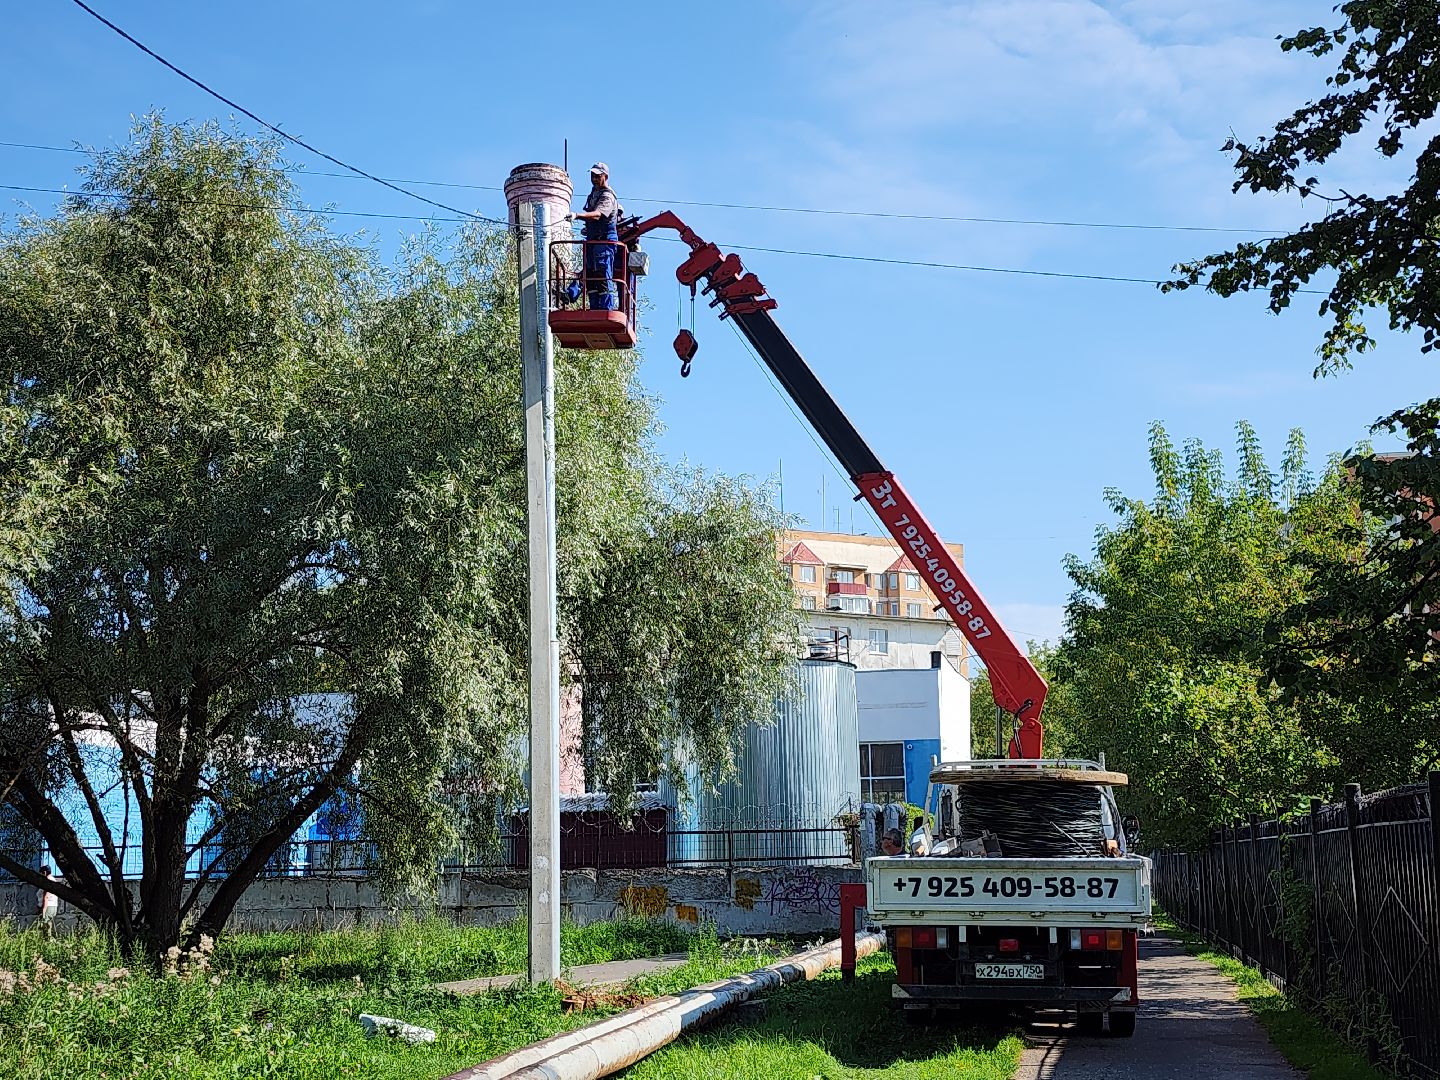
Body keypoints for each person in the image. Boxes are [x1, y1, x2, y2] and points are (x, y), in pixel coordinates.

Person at [569, 162, 622, 311]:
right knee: (591, 274)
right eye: (592, 175)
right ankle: (594, 307)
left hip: (604, 240)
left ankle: (606, 308)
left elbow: (598, 214)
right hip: (593, 240)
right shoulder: (594, 193)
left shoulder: (607, 196)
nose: (594, 179)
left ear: (605, 176)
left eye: (597, 176)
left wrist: (577, 215)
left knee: (603, 272)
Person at [36, 866, 59, 938]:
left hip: (47, 906)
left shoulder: (47, 881)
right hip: (53, 906)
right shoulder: (53, 880)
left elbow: (46, 896)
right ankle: (49, 940)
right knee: (49, 925)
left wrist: (43, 910)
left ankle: (47, 941)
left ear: (44, 872)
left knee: (44, 927)